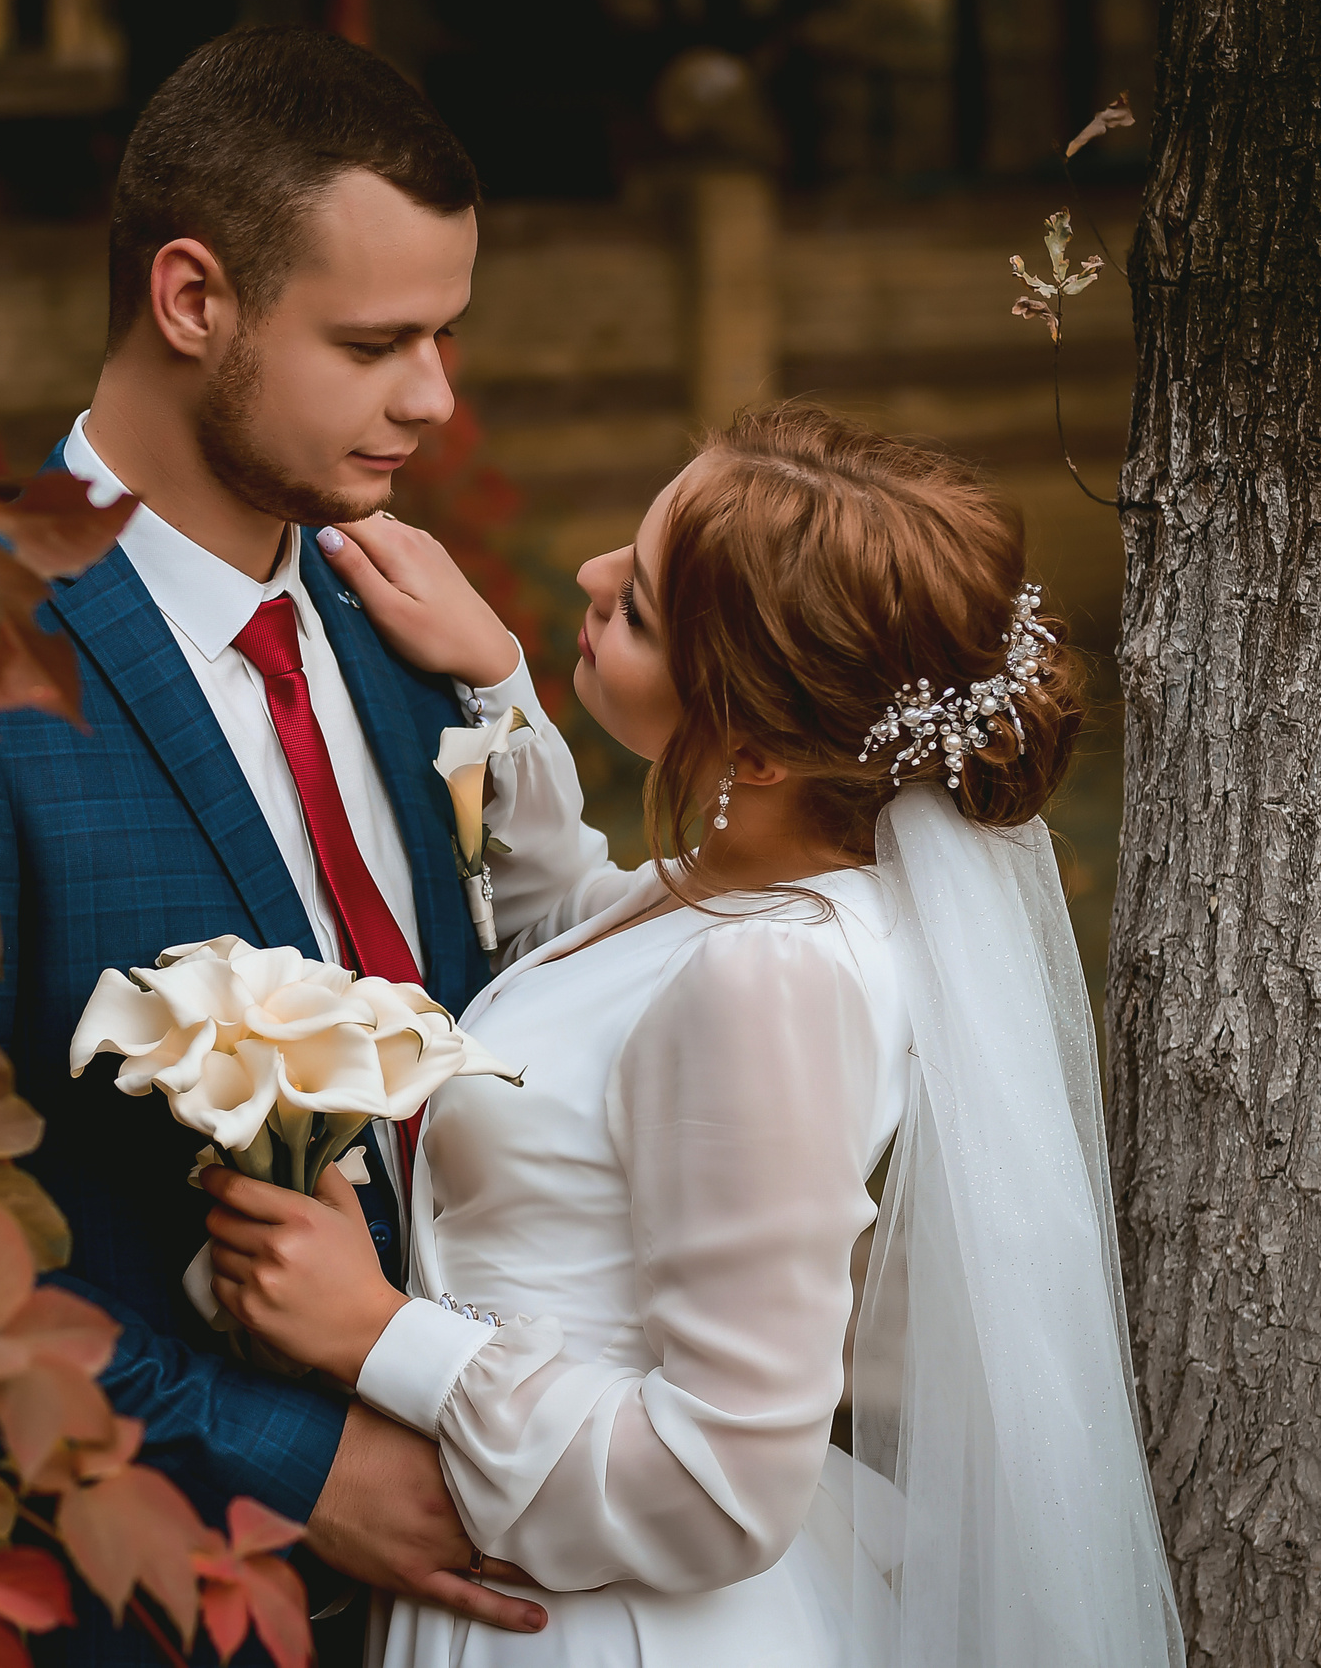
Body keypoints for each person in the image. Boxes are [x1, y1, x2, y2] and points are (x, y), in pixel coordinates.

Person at [201, 405, 1187, 1667]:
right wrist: (499, 684)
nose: (590, 577)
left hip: (610, 1621)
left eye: (644, 606)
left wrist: (379, 1334)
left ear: (761, 749)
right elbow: (582, 976)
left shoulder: (774, 980)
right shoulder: (745, 896)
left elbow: (723, 1485)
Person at [0, 26, 549, 1662]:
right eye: (376, 342)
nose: (433, 397)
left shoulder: (392, 623)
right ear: (192, 299)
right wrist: (298, 1470)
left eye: (444, 335)